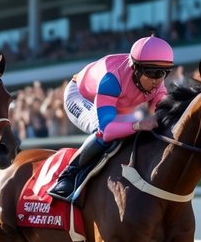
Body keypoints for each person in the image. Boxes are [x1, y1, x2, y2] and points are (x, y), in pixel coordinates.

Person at [48, 34, 173, 203]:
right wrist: (137, 125)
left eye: (163, 73)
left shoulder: (157, 84)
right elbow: (106, 130)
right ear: (136, 68)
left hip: (116, 104)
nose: (157, 80)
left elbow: (163, 114)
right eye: (152, 72)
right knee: (102, 133)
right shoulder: (112, 79)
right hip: (81, 96)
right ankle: (68, 177)